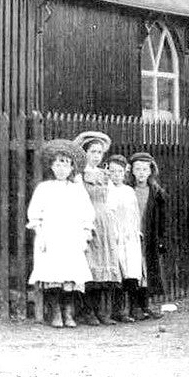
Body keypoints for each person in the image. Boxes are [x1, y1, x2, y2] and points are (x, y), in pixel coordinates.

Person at [26, 139, 94, 328]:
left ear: (72, 167)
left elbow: (87, 214)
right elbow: (35, 214)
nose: (61, 168)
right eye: (57, 164)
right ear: (52, 168)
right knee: (53, 275)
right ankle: (55, 313)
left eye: (65, 164)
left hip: (71, 237)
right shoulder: (44, 188)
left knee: (70, 275)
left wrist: (84, 236)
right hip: (51, 237)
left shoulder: (77, 190)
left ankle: (68, 313)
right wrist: (40, 234)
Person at [72, 130, 122, 325]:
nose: (96, 156)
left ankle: (103, 312)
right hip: (88, 220)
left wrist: (112, 223)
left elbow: (111, 200)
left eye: (99, 152)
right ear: (84, 153)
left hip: (105, 222)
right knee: (90, 266)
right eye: (92, 151)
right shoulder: (78, 176)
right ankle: (88, 311)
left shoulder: (104, 174)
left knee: (105, 265)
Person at [105, 154, 144, 323]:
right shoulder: (107, 190)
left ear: (124, 173)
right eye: (112, 171)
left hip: (129, 235)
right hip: (114, 235)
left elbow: (135, 213)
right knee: (117, 272)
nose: (116, 175)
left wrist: (136, 231)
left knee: (130, 272)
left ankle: (128, 309)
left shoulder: (129, 191)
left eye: (119, 171)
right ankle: (116, 310)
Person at [128, 151, 167, 319]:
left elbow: (162, 219)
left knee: (147, 270)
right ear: (132, 171)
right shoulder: (127, 190)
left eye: (145, 169)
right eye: (138, 169)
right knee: (133, 271)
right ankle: (133, 307)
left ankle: (146, 305)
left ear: (151, 171)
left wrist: (160, 238)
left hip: (148, 237)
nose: (141, 173)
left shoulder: (157, 193)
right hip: (131, 236)